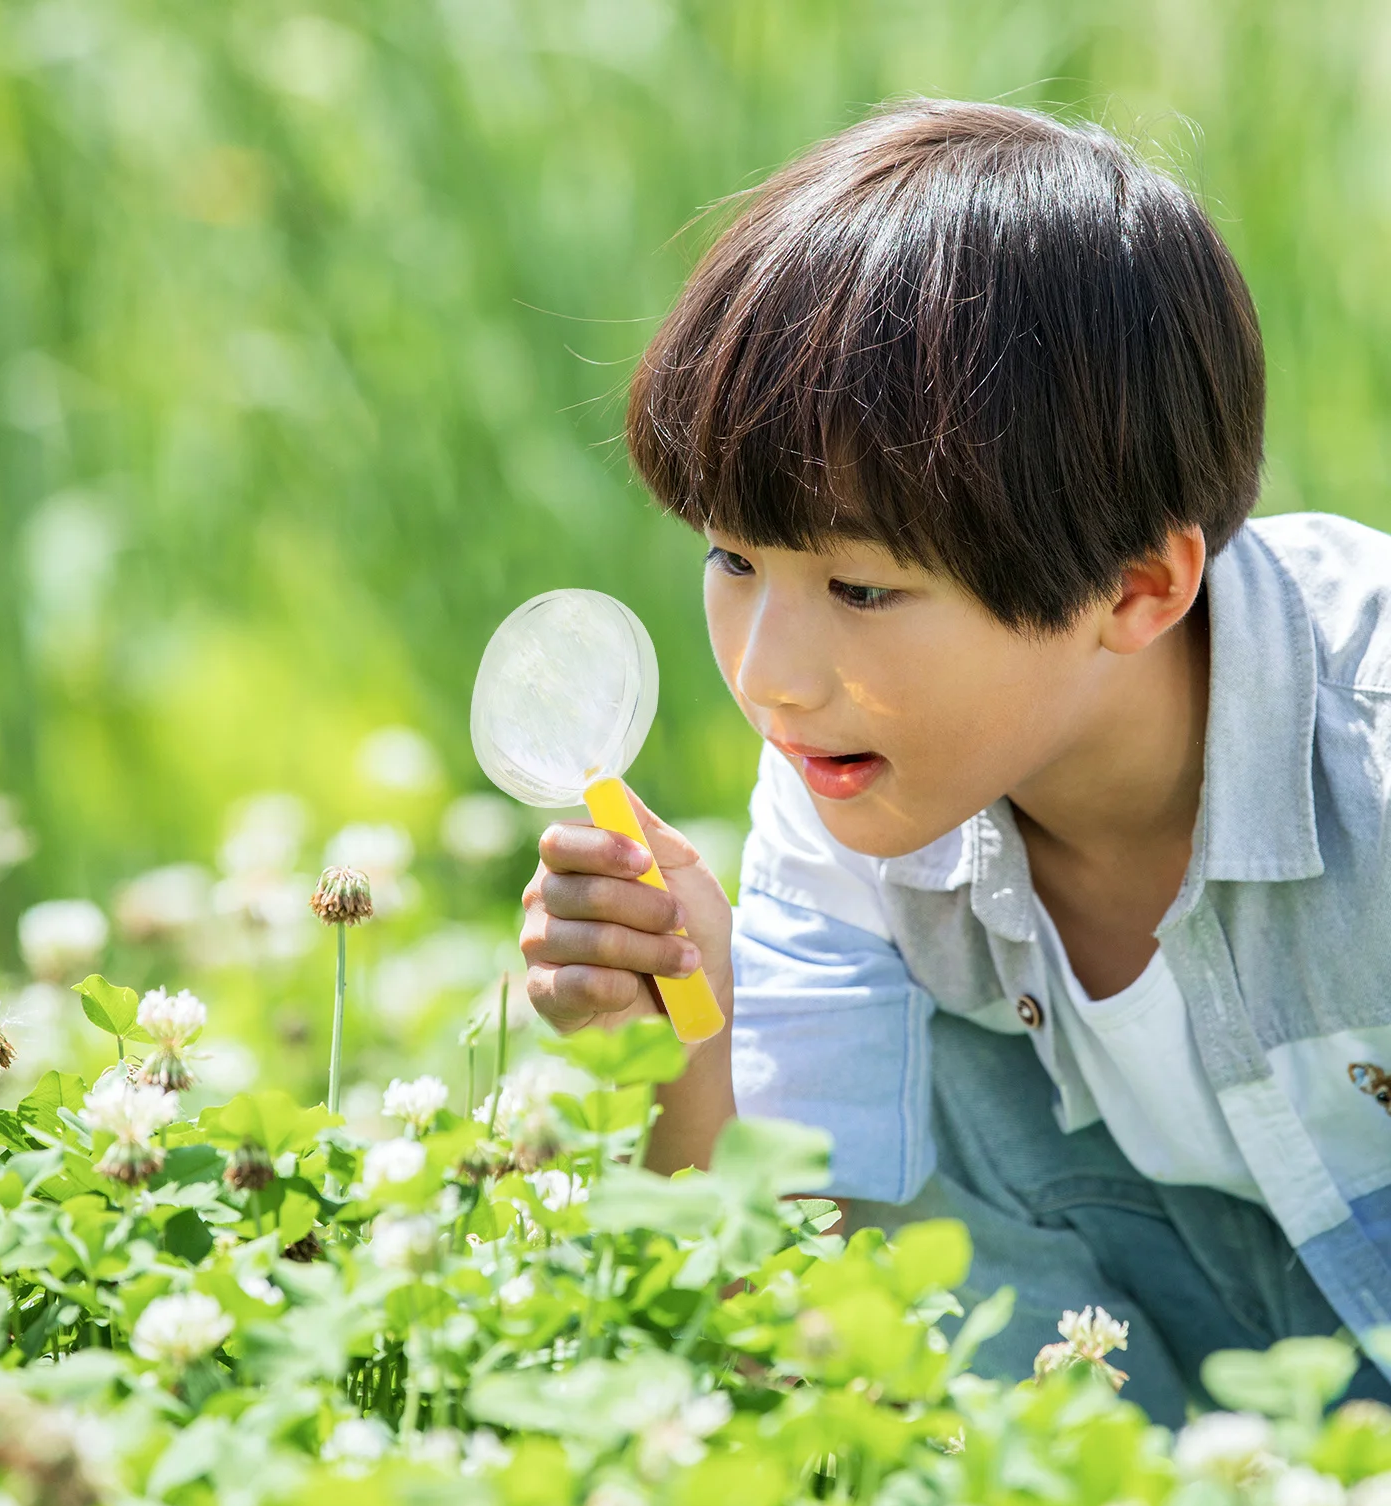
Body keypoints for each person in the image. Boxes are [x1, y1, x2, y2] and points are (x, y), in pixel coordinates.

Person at [518, 99, 1391, 1425]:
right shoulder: (850, 785)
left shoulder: (1370, 751)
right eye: (733, 559)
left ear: (1138, 588)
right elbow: (788, 1291)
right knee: (908, 1101)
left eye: (860, 588)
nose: (766, 674)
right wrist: (684, 1033)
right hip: (1226, 1411)